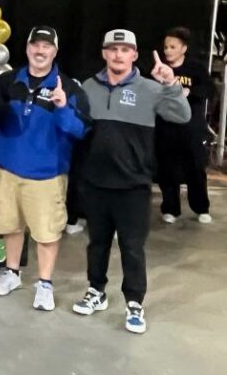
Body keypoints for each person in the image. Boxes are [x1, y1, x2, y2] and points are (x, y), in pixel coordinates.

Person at [73, 30, 191, 334]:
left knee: (132, 247)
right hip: (96, 183)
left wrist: (171, 84)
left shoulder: (150, 88)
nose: (118, 55)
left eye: (125, 50)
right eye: (113, 49)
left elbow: (182, 116)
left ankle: (134, 303)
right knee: (97, 244)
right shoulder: (88, 87)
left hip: (133, 186)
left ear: (135, 55)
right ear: (104, 53)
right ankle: (96, 291)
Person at [0, 26, 89, 312]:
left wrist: (62, 107)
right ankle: (12, 273)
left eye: (46, 46)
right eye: (35, 45)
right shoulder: (7, 81)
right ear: (27, 48)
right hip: (8, 170)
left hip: (46, 175)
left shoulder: (69, 87)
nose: (40, 51)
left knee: (47, 232)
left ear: (55, 51)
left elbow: (79, 130)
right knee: (10, 225)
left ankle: (44, 284)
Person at [155, 27, 214, 224]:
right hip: (166, 128)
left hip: (191, 128)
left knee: (196, 168)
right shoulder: (159, 68)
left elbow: (209, 89)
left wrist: (190, 91)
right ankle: (170, 209)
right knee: (167, 169)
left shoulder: (196, 68)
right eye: (166, 47)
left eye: (172, 47)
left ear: (184, 48)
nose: (167, 50)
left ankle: (201, 208)